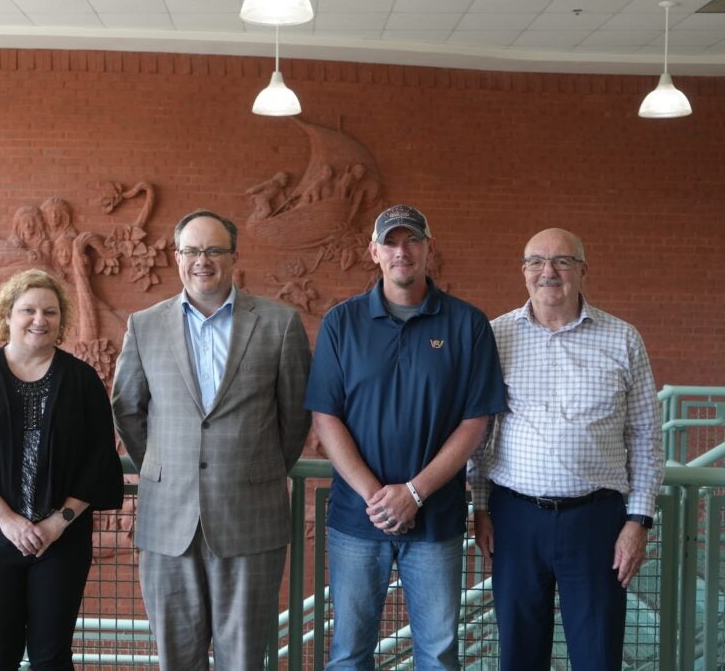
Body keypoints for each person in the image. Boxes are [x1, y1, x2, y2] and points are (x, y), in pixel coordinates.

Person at [305, 204, 507, 670]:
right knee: (349, 654)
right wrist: (379, 497)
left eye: (412, 240)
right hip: (358, 520)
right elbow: (325, 417)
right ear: (373, 252)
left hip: (436, 520)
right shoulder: (341, 322)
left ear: (429, 249)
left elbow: (476, 421)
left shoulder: (467, 324)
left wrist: (414, 493)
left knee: (437, 654)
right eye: (391, 243)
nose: (402, 251)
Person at [111, 209, 311, 670]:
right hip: (168, 519)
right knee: (177, 658)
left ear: (234, 257)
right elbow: (127, 408)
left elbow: (295, 415)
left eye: (214, 250)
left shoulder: (280, 324)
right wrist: (163, 466)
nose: (203, 260)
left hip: (250, 516)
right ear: (177, 257)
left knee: (242, 658)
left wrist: (254, 469)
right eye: (192, 250)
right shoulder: (145, 325)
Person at [468, 228, 663, 670]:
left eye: (562, 261)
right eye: (536, 261)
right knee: (519, 653)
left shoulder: (623, 339)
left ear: (582, 271)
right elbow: (479, 432)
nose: (548, 272)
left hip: (598, 523)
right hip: (515, 520)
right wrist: (480, 506)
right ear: (523, 272)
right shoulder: (495, 337)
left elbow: (647, 438)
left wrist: (638, 521)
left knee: (597, 654)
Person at [0, 269, 124, 671]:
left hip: (62, 543)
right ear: (8, 315)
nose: (40, 319)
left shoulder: (82, 379)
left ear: (61, 320)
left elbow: (98, 458)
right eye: (29, 310)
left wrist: (58, 522)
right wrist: (8, 522)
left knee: (52, 658)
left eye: (50, 312)